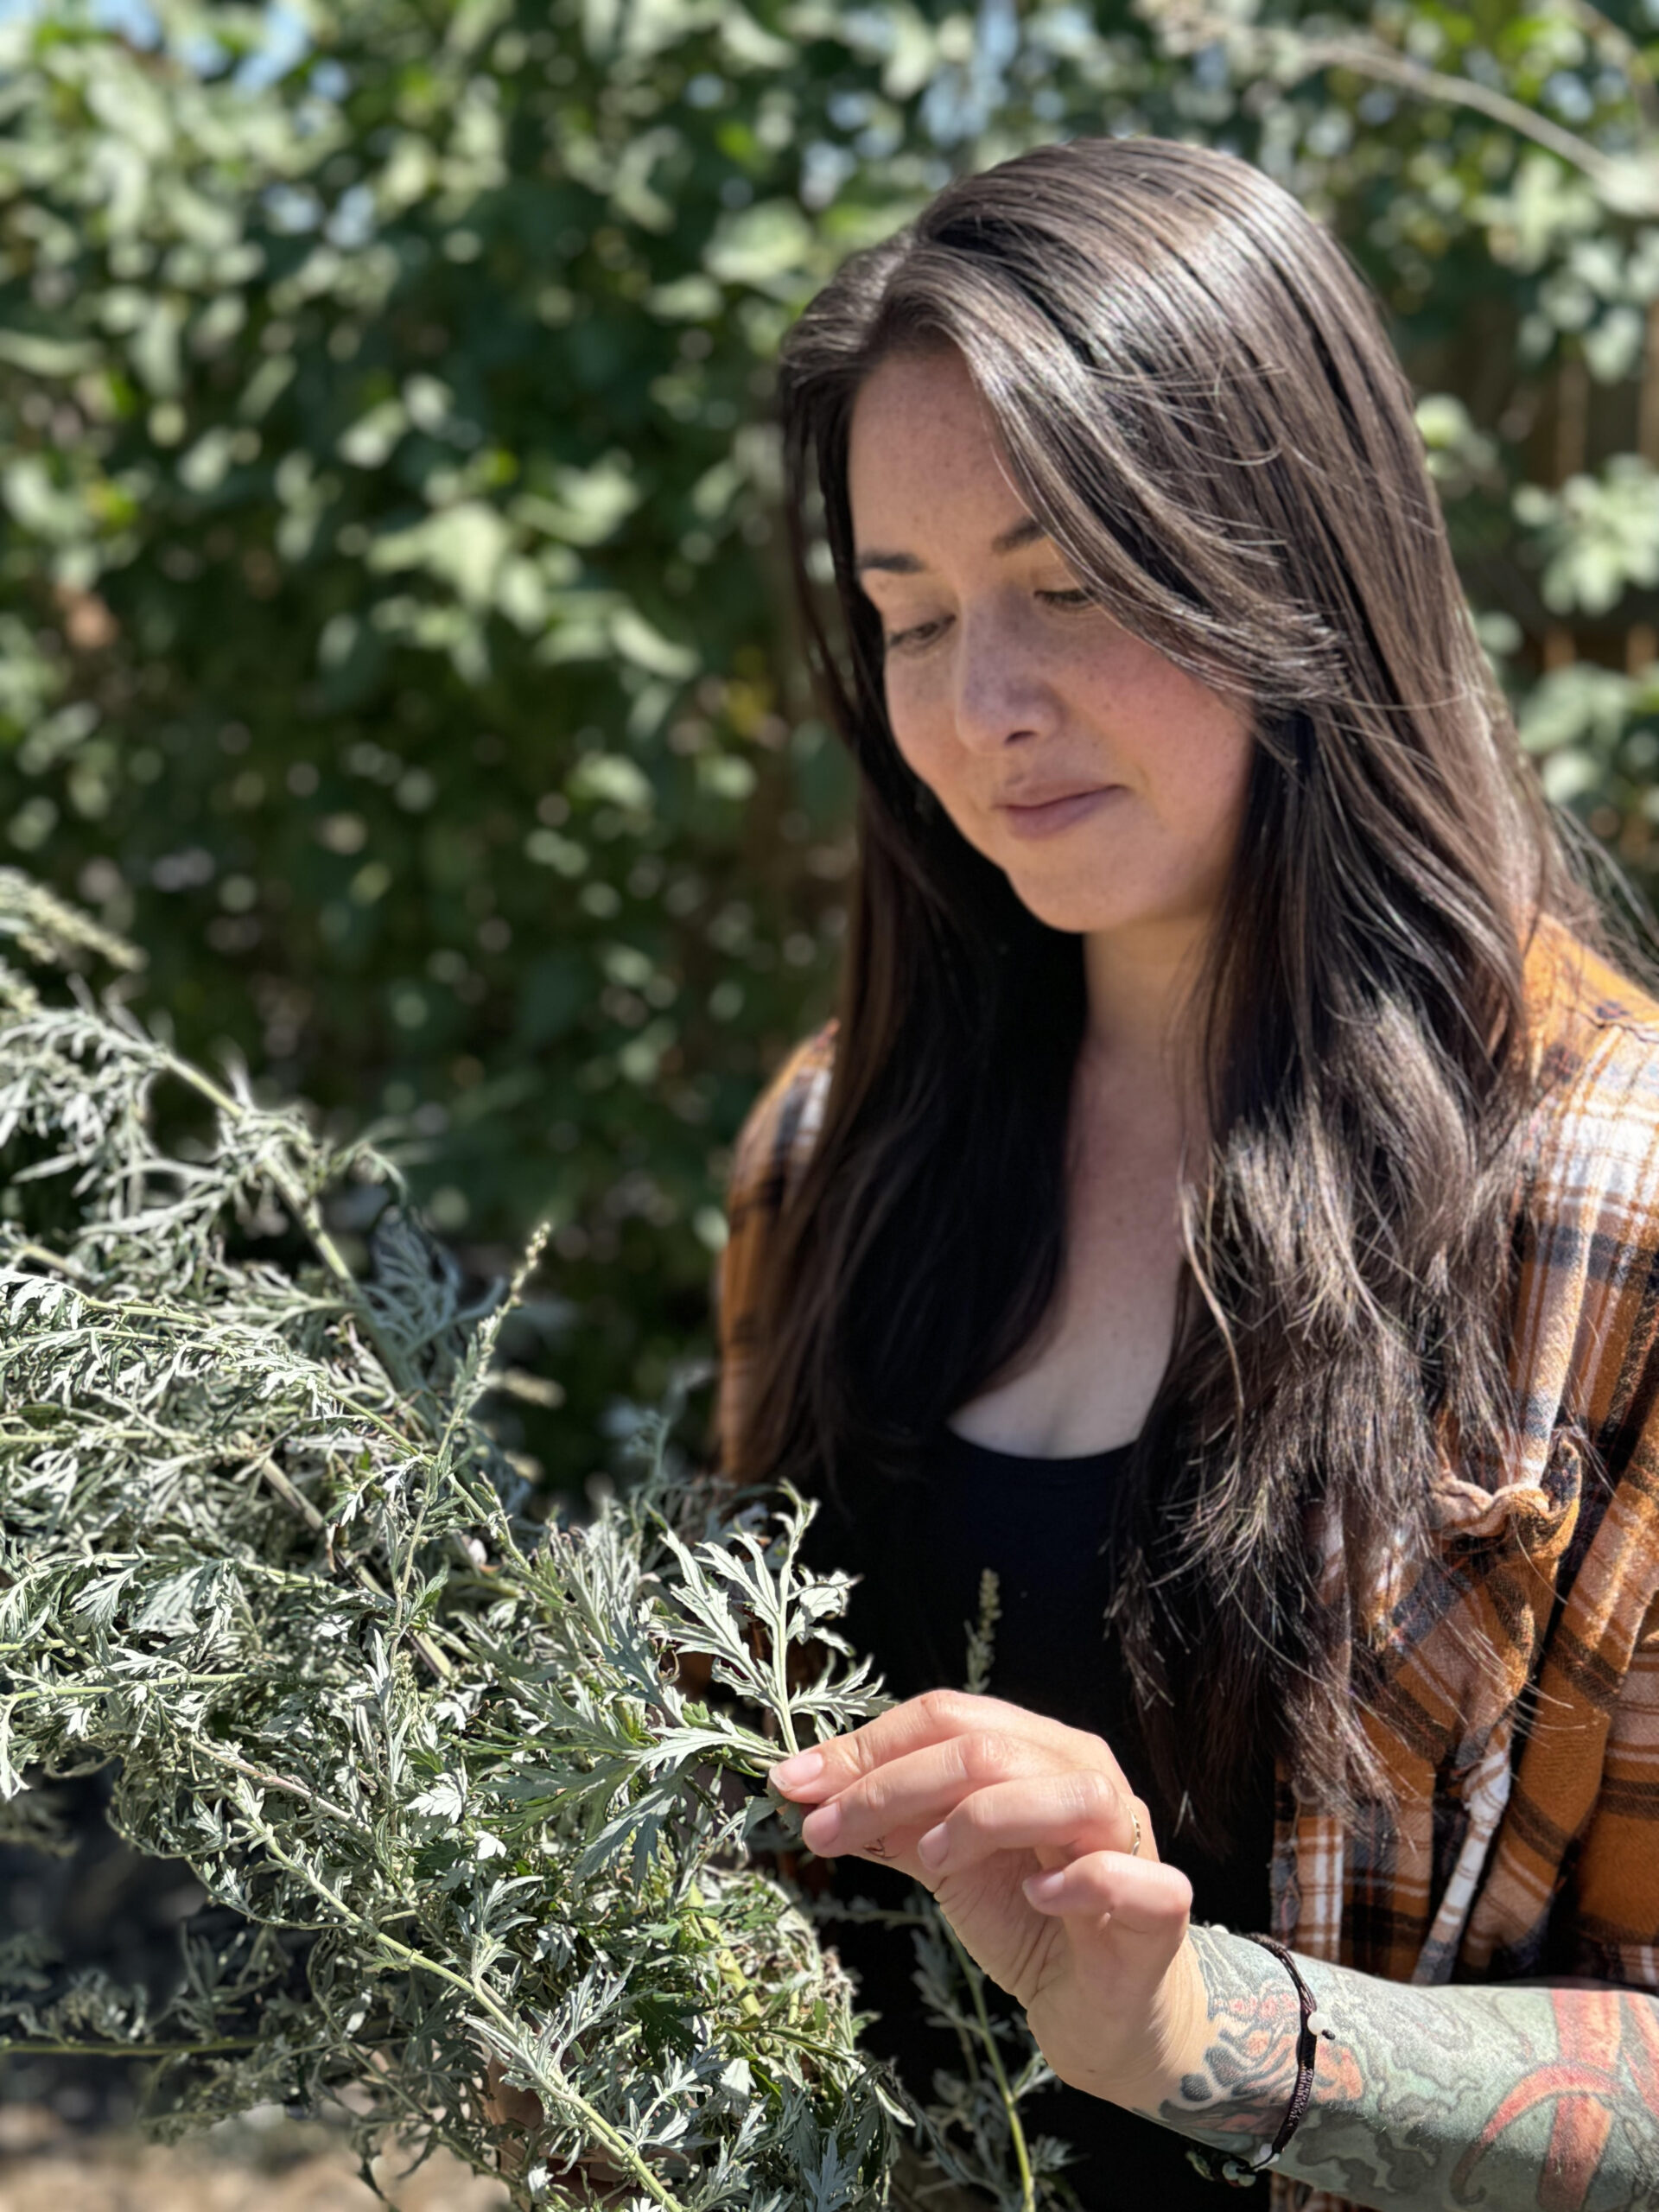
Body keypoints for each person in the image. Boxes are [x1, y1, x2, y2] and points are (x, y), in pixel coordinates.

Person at [715, 138, 1659, 2212]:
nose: (984, 711)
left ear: (1298, 562)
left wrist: (1201, 2024)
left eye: (1067, 589)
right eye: (910, 614)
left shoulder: (1614, 1215)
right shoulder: (829, 1147)